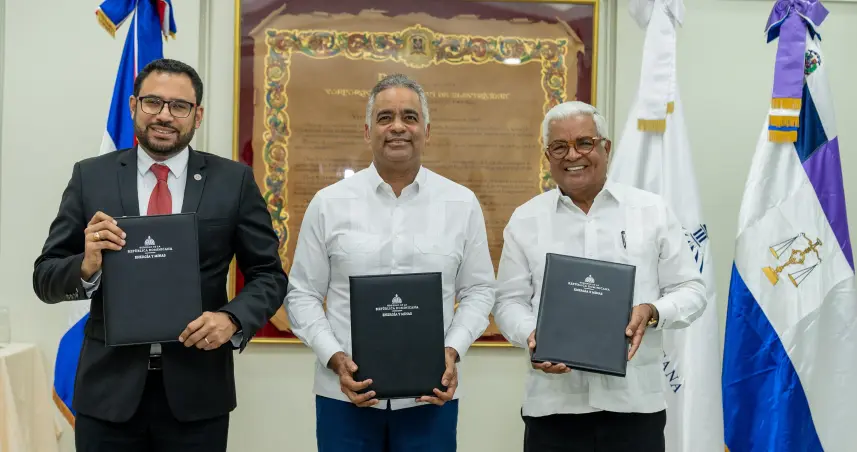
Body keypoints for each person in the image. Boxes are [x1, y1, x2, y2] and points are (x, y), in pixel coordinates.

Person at [32, 58, 289, 452]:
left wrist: (232, 318)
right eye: (153, 102)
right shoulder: (91, 176)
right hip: (107, 394)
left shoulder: (233, 181)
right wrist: (85, 266)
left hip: (197, 393)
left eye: (179, 106)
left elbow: (269, 274)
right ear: (133, 106)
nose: (164, 115)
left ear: (197, 115)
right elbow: (45, 277)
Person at [284, 73, 495, 451]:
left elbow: (479, 290)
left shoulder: (461, 203)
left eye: (409, 117)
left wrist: (452, 350)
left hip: (430, 398)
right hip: (344, 398)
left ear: (427, 131)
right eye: (385, 118)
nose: (398, 127)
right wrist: (334, 359)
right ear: (368, 131)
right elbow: (302, 294)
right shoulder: (329, 203)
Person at [491, 101, 707, 452]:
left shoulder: (651, 210)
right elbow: (508, 302)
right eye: (559, 146)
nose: (572, 155)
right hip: (553, 407)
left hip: (635, 406)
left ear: (605, 147)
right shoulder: (526, 219)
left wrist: (652, 311)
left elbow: (692, 290)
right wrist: (533, 336)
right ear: (547, 157)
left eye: (584, 143)